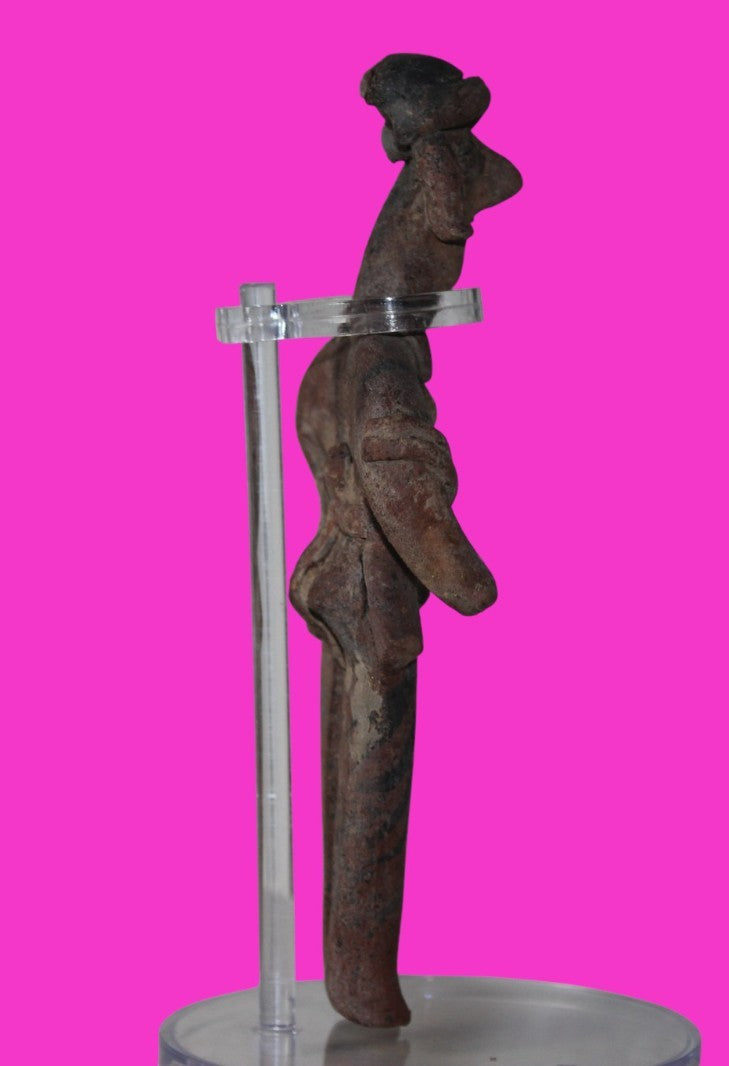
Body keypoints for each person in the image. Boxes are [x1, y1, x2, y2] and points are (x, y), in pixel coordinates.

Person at [289, 54, 522, 1028]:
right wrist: (469, 581)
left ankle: (355, 981)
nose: (461, 254)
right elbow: (400, 485)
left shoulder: (340, 354)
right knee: (370, 787)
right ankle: (364, 984)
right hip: (375, 601)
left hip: (337, 587)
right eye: (457, 236)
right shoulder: (382, 366)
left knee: (349, 779)